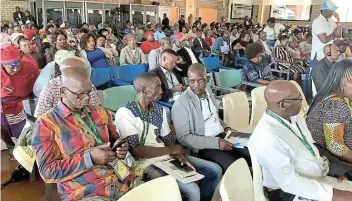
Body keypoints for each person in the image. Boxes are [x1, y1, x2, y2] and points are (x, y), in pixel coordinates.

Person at [32, 67, 136, 201]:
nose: (87, 98)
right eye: (80, 94)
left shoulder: (100, 112)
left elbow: (114, 140)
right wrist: (89, 159)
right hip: (86, 191)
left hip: (122, 180)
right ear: (62, 92)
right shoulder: (46, 124)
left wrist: (120, 149)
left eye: (89, 92)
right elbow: (48, 172)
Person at [115, 72, 221, 201]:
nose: (161, 91)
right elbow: (137, 151)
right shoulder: (126, 112)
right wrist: (172, 150)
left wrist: (180, 157)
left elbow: (169, 141)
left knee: (214, 170)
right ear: (145, 90)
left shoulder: (159, 110)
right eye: (157, 87)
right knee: (192, 191)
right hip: (142, 165)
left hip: (165, 157)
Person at [248, 80, 352, 201]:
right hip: (288, 191)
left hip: (316, 176)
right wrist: (334, 194)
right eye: (298, 99)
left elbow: (312, 147)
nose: (302, 102)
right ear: (283, 104)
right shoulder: (267, 137)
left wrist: (339, 171)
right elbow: (289, 183)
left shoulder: (294, 117)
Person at [172, 64, 247, 172]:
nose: (196, 85)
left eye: (200, 81)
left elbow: (214, 117)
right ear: (187, 81)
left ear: (207, 79)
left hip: (222, 135)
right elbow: (184, 138)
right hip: (204, 145)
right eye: (192, 81)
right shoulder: (181, 104)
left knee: (251, 152)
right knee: (236, 167)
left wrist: (226, 128)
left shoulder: (208, 91)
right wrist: (216, 143)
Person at [307, 59, 352, 164]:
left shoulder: (336, 97)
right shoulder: (335, 105)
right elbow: (335, 146)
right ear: (341, 81)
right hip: (337, 162)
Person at [1, 44, 39, 158]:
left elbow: (38, 85)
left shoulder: (29, 66)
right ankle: (10, 145)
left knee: (26, 128)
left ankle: (26, 150)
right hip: (3, 103)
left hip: (23, 99)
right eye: (11, 66)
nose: (16, 68)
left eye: (18, 64)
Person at [34, 57, 100, 118]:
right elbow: (40, 117)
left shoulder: (88, 86)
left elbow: (98, 111)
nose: (86, 97)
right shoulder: (50, 88)